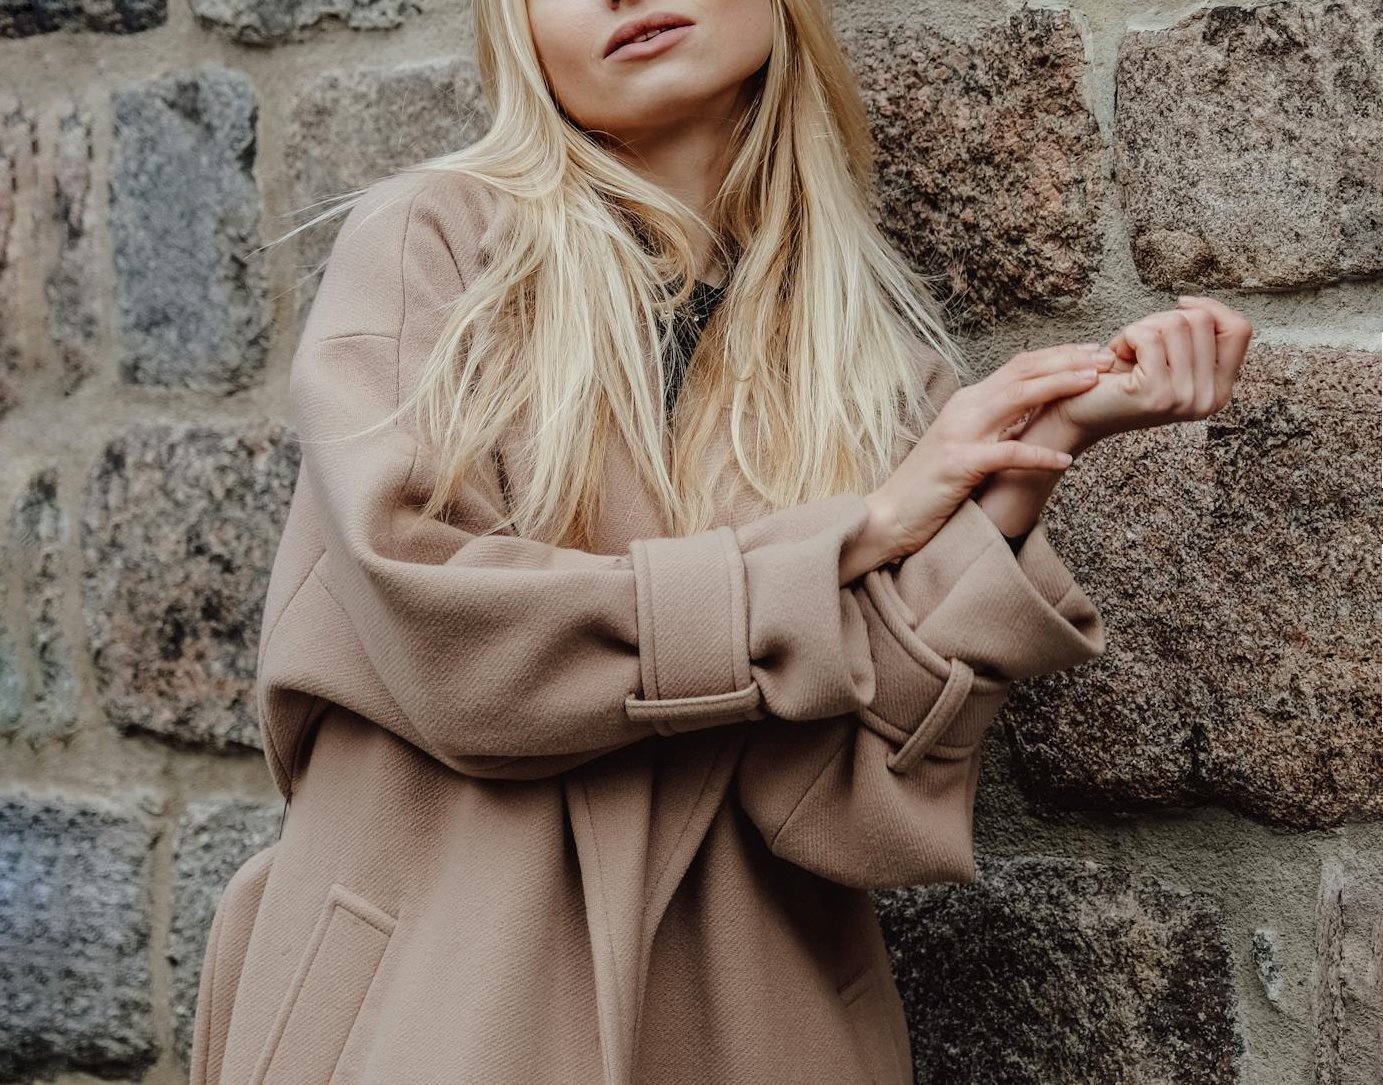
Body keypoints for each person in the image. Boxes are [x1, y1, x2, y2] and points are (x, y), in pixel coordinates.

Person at [187, 2, 1252, 1083]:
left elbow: (853, 810)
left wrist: (1023, 468)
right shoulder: (437, 244)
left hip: (757, 1022)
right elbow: (450, 646)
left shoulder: (869, 372)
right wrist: (855, 539)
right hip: (435, 1006)